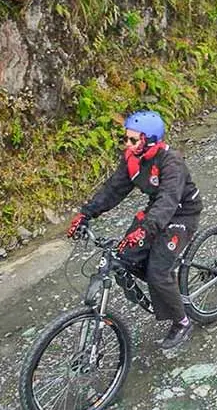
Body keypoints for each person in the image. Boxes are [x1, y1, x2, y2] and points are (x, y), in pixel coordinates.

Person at [66, 110, 203, 349]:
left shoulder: (172, 162)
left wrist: (147, 229)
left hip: (182, 214)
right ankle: (162, 287)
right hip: (156, 213)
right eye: (125, 139)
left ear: (149, 140)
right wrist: (85, 214)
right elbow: (113, 190)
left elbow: (168, 200)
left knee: (158, 272)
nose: (126, 144)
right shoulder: (132, 159)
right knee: (123, 256)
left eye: (132, 140)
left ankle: (182, 321)